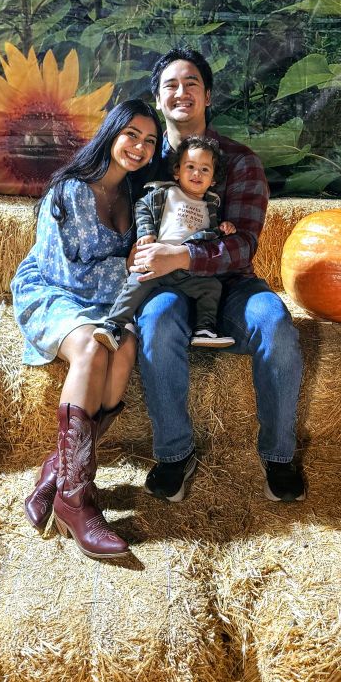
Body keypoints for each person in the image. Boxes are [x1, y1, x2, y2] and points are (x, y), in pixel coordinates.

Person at [133, 48, 306, 504]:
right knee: (155, 322)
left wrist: (181, 257)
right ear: (157, 99)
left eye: (191, 83)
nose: (181, 92)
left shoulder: (240, 160)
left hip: (231, 286)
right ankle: (174, 453)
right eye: (170, 84)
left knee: (274, 321)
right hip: (164, 288)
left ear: (207, 96)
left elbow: (244, 243)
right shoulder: (142, 159)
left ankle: (279, 455)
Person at [11, 98, 162, 559]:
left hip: (107, 304)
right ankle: (77, 501)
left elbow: (139, 269)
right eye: (131, 135)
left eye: (150, 141)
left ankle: (57, 475)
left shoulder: (138, 198)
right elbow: (65, 275)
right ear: (112, 133)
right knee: (95, 349)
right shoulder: (71, 190)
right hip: (55, 294)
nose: (139, 146)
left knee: (128, 346)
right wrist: (124, 266)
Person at [92, 135, 237, 352]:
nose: (196, 173)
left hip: (186, 271)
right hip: (156, 263)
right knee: (135, 284)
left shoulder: (211, 205)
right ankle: (114, 325)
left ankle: (204, 330)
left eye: (205, 170)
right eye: (190, 167)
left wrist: (223, 229)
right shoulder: (165, 193)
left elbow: (208, 238)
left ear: (213, 179)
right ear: (177, 172)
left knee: (212, 287)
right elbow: (142, 208)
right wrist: (147, 232)